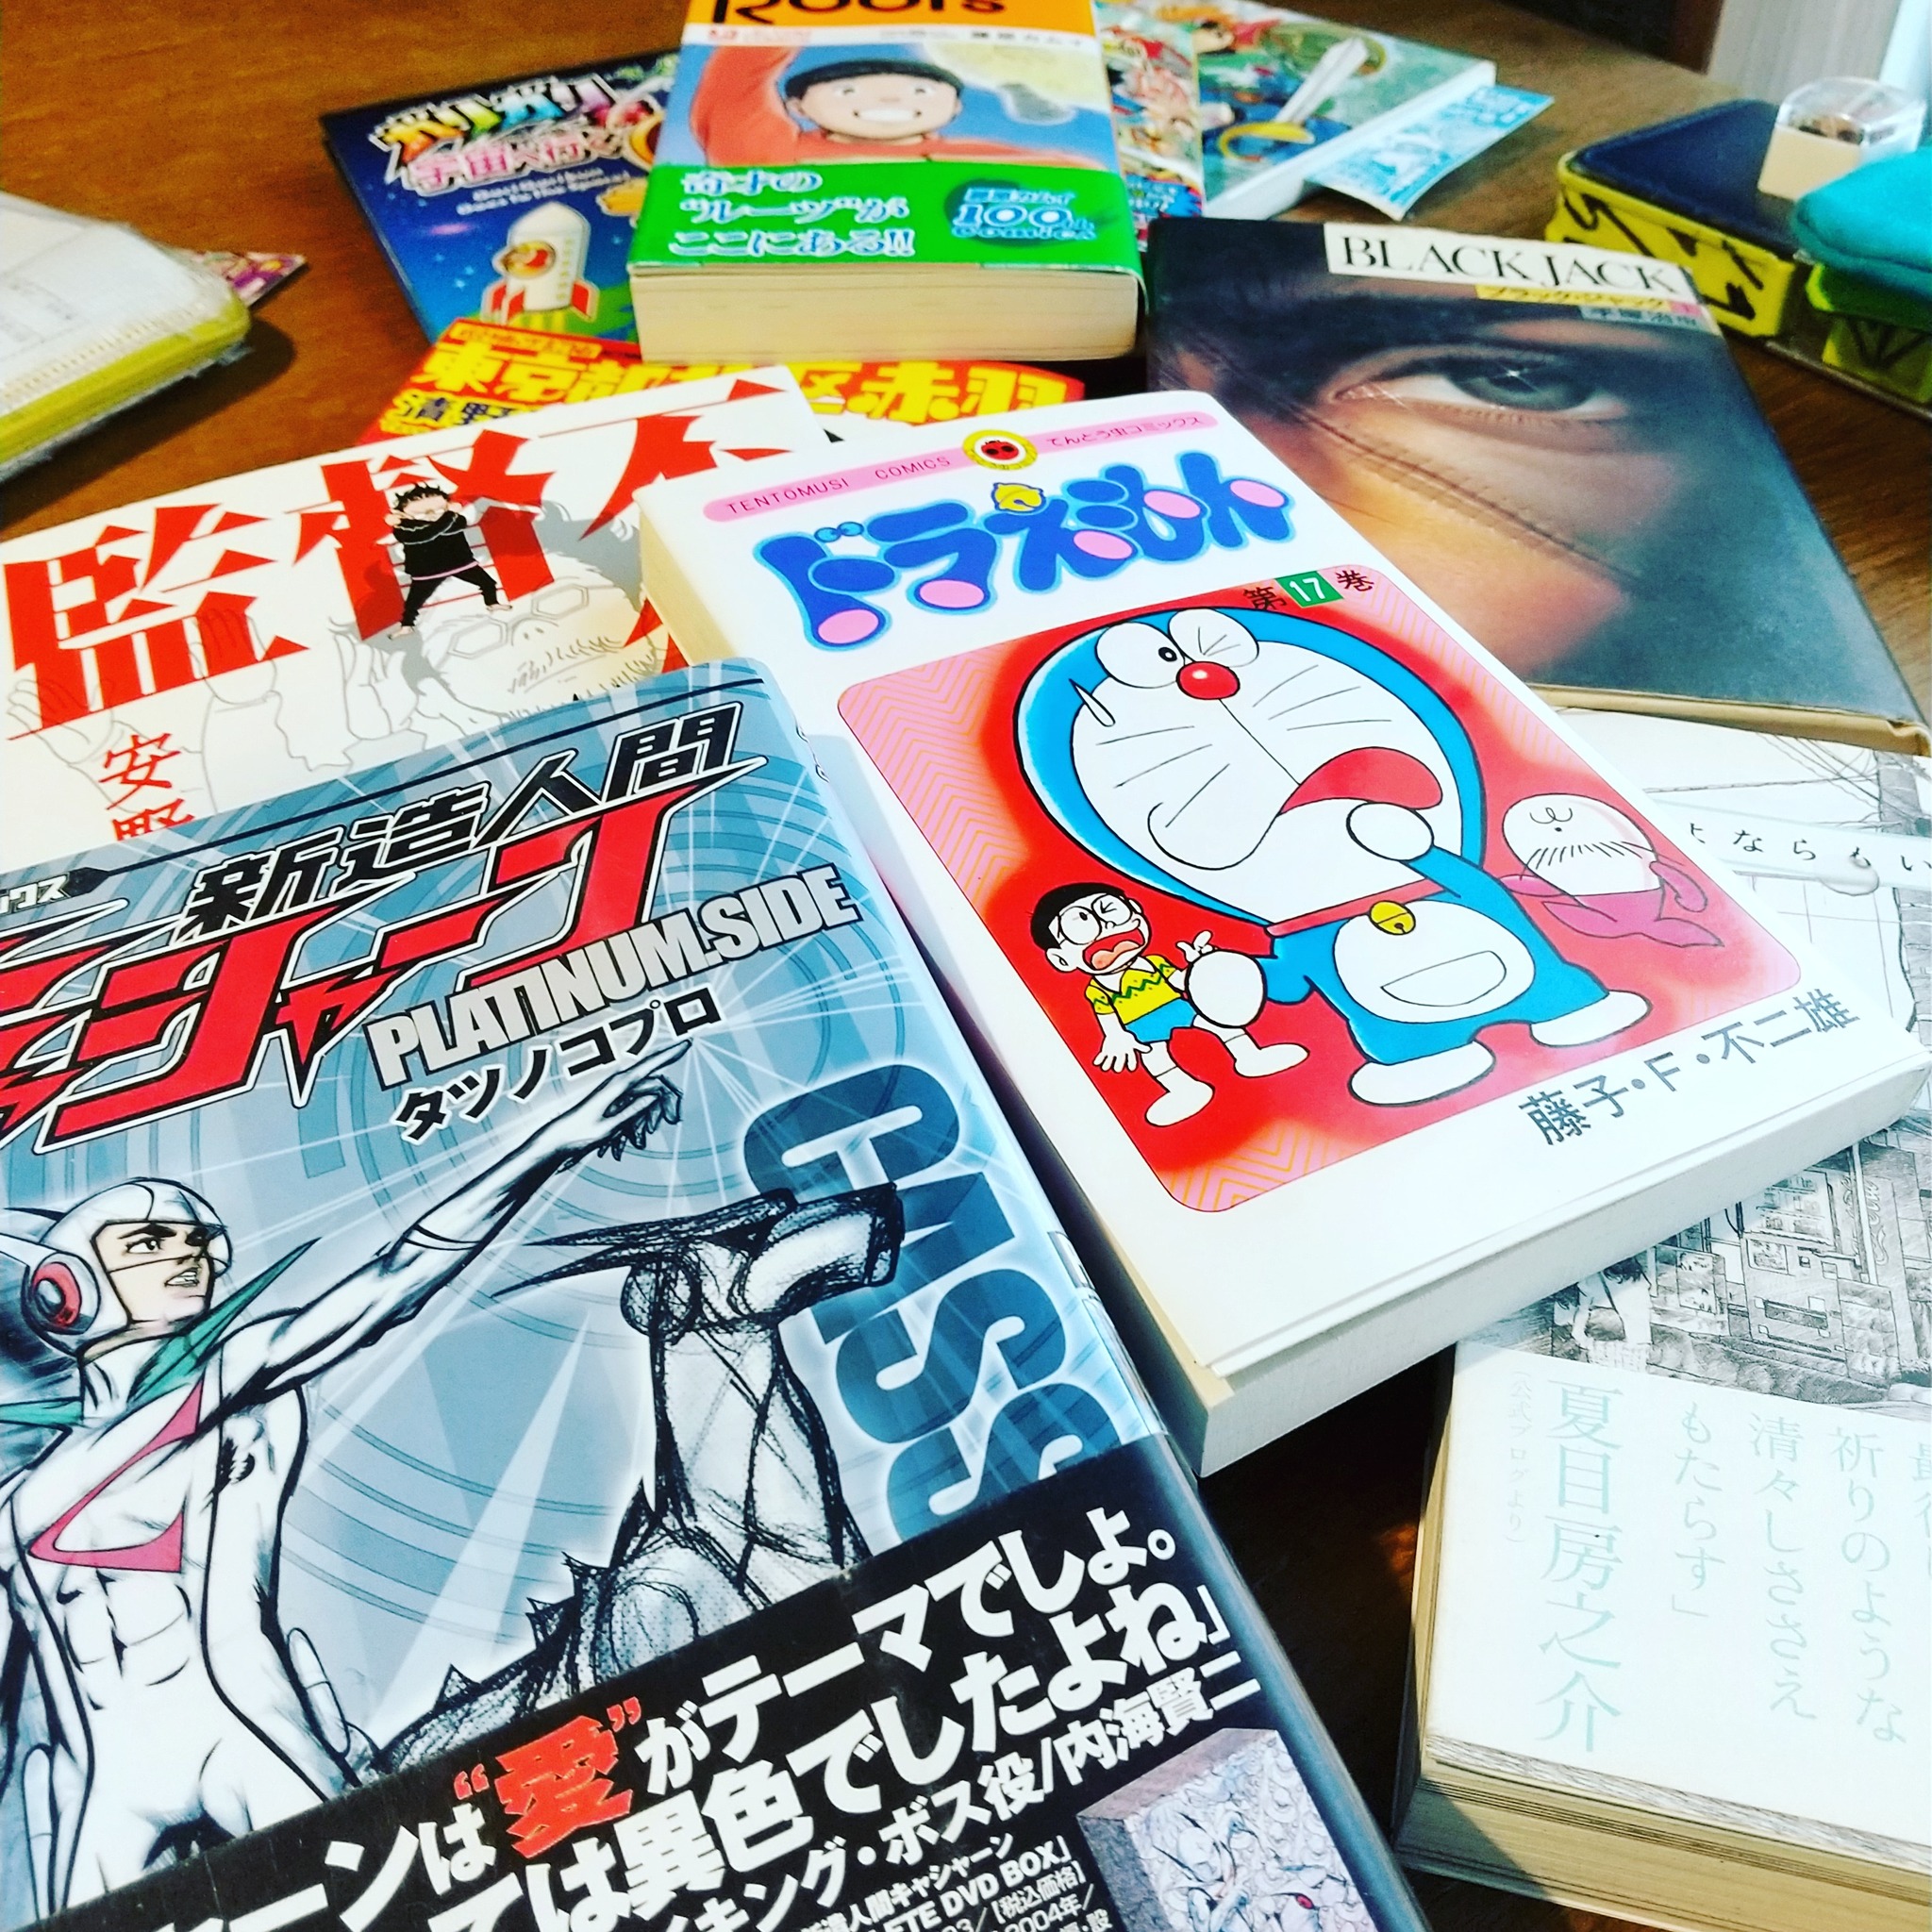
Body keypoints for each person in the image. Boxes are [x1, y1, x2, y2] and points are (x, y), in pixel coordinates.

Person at [0, 1055, 680, 1916]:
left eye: (197, 1241)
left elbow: (392, 1281)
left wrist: (549, 1143)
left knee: (389, 1908)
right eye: (150, 1243)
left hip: (238, 1734)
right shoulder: (20, 1503)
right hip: (109, 1781)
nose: (190, 1255)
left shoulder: (232, 1388)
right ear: (66, 1289)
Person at [1032, 882, 1304, 1125]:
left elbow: (1180, 980)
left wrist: (1202, 967)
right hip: (1140, 1027)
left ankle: (1250, 1056)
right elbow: (1107, 1017)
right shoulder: (1098, 989)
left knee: (1220, 1024)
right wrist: (1116, 1036)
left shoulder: (1154, 963)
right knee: (1156, 1058)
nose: (1108, 929)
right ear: (1061, 959)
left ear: (1135, 911)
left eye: (1111, 911)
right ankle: (1183, 1089)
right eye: (1081, 927)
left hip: (1179, 1007)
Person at [691, 48, 1105, 170]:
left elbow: (1079, 175)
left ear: (955, 108)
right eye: (848, 91)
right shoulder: (771, 152)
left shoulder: (976, 156)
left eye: (921, 92)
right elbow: (734, 84)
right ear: (797, 106)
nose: (890, 100)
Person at [387, 483, 501, 632]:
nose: (431, 515)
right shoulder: (403, 529)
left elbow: (450, 527)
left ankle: (492, 603)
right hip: (427, 571)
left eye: (438, 509)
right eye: (420, 513)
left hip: (460, 563)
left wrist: (448, 515)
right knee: (414, 602)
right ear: (403, 514)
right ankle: (407, 625)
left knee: (488, 583)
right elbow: (425, 534)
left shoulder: (455, 519)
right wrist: (447, 515)